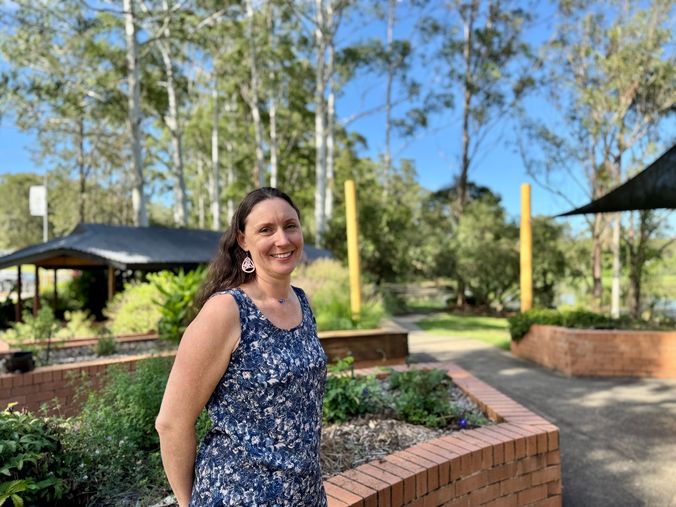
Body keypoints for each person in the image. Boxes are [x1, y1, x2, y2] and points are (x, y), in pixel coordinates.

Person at [155, 188, 328, 506]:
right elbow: (171, 423)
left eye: (290, 226)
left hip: (305, 494)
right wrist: (186, 503)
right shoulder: (226, 311)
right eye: (266, 229)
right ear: (243, 240)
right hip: (236, 496)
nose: (283, 239)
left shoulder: (300, 301)